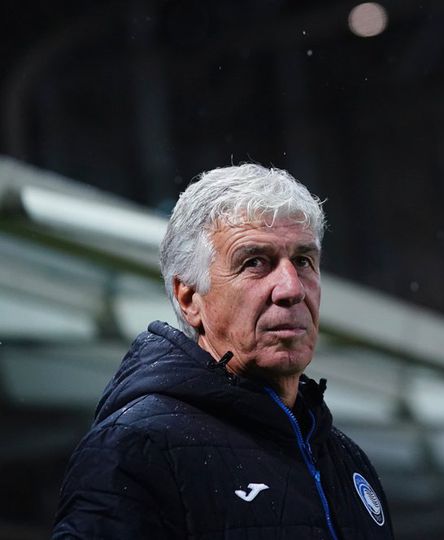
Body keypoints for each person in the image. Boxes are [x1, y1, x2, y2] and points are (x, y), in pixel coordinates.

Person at [53, 164, 393, 539]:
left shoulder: (346, 460)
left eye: (303, 261)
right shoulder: (136, 448)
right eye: (254, 262)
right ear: (189, 299)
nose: (291, 288)